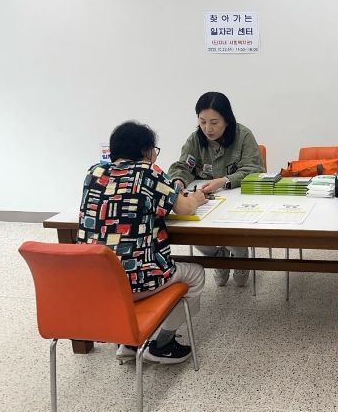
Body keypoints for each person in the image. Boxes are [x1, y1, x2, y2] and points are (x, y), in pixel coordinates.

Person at [77, 121, 207, 364]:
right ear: (146, 151)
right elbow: (185, 208)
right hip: (137, 281)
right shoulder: (149, 171)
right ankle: (161, 344)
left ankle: (129, 341)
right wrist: (198, 198)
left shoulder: (94, 172)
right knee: (196, 274)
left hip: (96, 282)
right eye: (154, 151)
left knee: (125, 261)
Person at [168, 91, 264, 287]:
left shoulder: (243, 135)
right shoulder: (195, 139)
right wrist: (178, 181)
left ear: (227, 120)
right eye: (202, 121)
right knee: (193, 234)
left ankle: (240, 258)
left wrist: (224, 181)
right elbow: (183, 166)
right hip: (205, 200)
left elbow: (254, 169)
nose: (207, 128)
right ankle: (219, 257)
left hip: (237, 199)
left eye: (214, 122)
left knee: (233, 236)